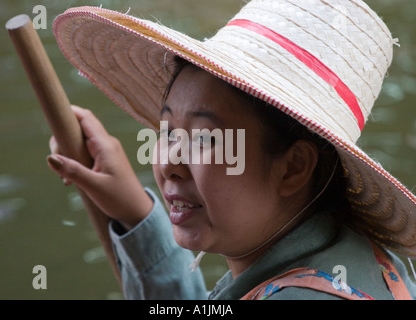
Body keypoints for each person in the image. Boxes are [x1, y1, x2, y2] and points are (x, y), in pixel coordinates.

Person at [46, 0, 416, 299]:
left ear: (293, 168)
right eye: (169, 131)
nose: (169, 163)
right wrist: (134, 214)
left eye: (206, 138)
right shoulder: (366, 259)